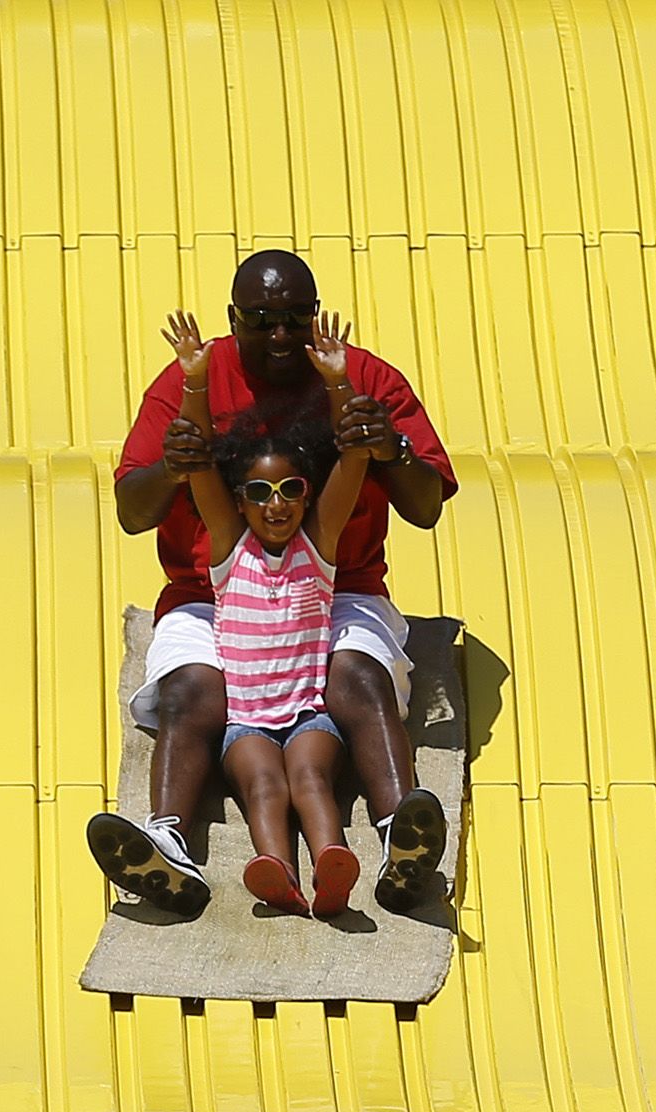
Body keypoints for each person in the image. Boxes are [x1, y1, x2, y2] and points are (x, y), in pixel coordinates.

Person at [90, 248, 457, 919]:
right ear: (235, 319)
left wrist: (391, 448)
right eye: (262, 320)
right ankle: (167, 842)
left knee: (358, 675)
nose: (282, 334)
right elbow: (132, 511)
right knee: (190, 691)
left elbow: (425, 505)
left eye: (294, 317)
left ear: (313, 315)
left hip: (338, 587)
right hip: (210, 595)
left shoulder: (364, 376)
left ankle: (400, 835)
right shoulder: (185, 384)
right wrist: (173, 467)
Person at [155, 308, 377, 915]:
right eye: (257, 492)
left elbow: (353, 462)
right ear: (240, 501)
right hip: (247, 720)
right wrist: (194, 382)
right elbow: (198, 464)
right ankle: (275, 869)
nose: (275, 504)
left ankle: (333, 867)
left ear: (307, 495)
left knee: (308, 779)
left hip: (309, 714)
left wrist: (339, 382)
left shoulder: (319, 546)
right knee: (263, 784)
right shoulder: (230, 551)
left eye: (289, 490)